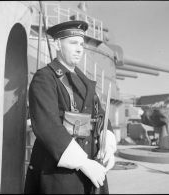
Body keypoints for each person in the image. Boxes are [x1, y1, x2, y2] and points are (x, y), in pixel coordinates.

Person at [24, 20, 116, 194]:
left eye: (81, 44)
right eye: (73, 43)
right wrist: (83, 163)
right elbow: (47, 127)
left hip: (92, 167)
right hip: (59, 174)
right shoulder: (44, 78)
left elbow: (101, 117)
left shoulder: (85, 82)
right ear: (57, 44)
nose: (80, 49)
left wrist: (107, 147)